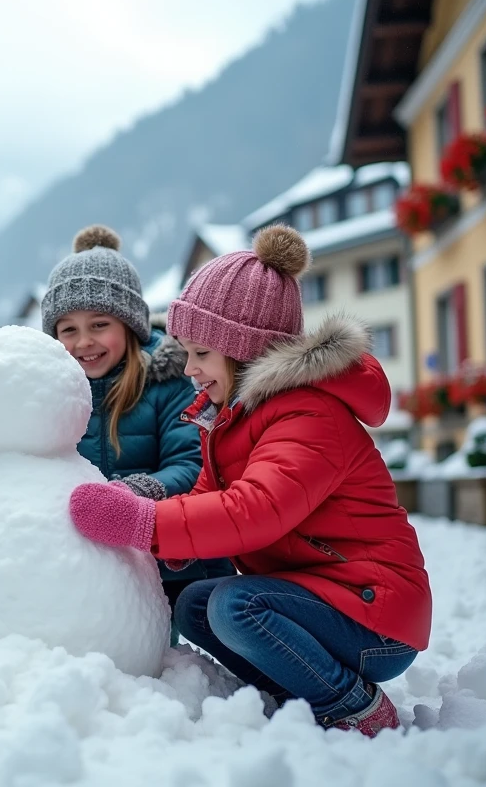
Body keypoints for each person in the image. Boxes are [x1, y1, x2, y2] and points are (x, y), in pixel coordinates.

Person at [66, 224, 432, 737]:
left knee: (236, 605)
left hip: (374, 616)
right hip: (321, 597)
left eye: (200, 353)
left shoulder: (308, 414)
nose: (189, 368)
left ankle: (350, 704)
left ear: (244, 351)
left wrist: (144, 521)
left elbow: (254, 510)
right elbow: (204, 499)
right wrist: (157, 543)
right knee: (197, 604)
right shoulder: (234, 416)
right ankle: (297, 698)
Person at [0, 225, 234, 644]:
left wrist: (137, 493)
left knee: (162, 660)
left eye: (99, 324)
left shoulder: (170, 380)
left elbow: (191, 465)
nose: (83, 341)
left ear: (130, 325)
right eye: (68, 329)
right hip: (103, 566)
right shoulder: (51, 390)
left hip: (178, 563)